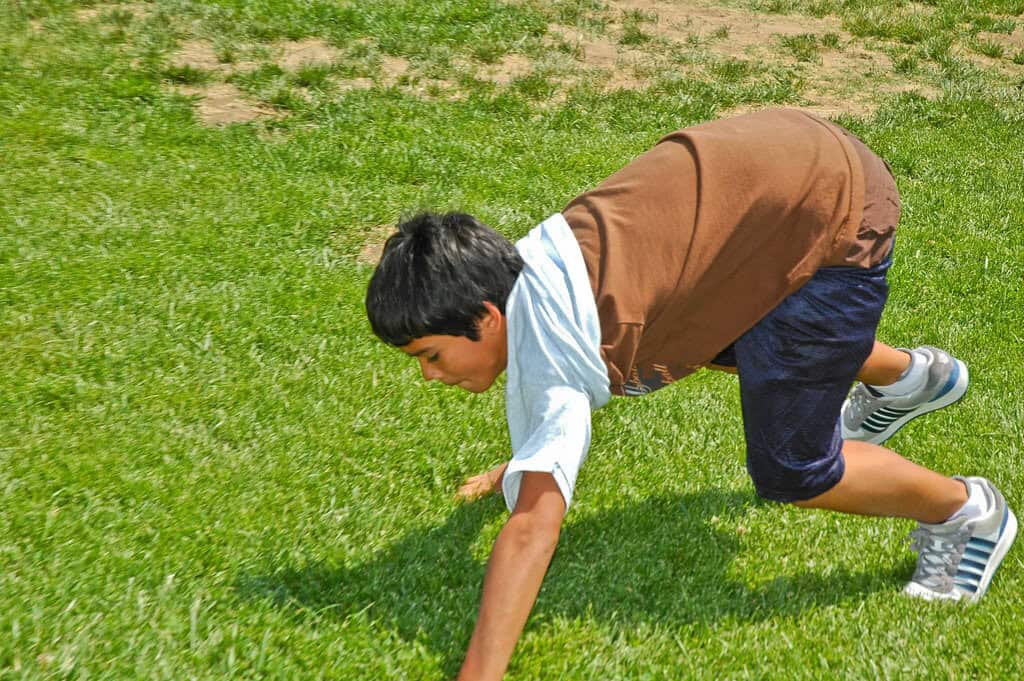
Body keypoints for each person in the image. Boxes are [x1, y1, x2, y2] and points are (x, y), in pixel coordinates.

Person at [364, 108, 1017, 681]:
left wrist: (478, 672)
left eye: (431, 354)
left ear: (486, 318)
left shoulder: (556, 353)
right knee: (690, 335)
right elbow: (565, 369)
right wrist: (525, 457)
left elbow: (535, 525)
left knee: (795, 466)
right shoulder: (543, 263)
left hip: (836, 214)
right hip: (790, 164)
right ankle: (910, 379)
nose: (429, 374)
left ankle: (968, 513)